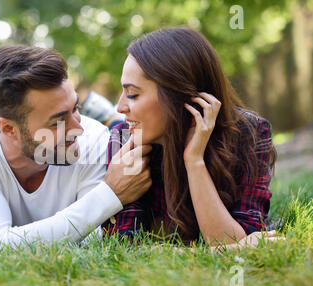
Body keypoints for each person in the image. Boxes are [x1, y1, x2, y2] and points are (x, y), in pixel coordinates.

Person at [0, 45, 152, 248]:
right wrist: (109, 195)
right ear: (9, 129)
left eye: (76, 108)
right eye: (58, 121)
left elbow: (93, 238)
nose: (78, 129)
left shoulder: (93, 139)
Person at [102, 27, 279, 246]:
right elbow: (125, 246)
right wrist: (226, 250)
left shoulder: (249, 133)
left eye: (132, 95)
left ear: (177, 96)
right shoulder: (124, 140)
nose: (120, 107)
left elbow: (235, 237)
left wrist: (194, 161)